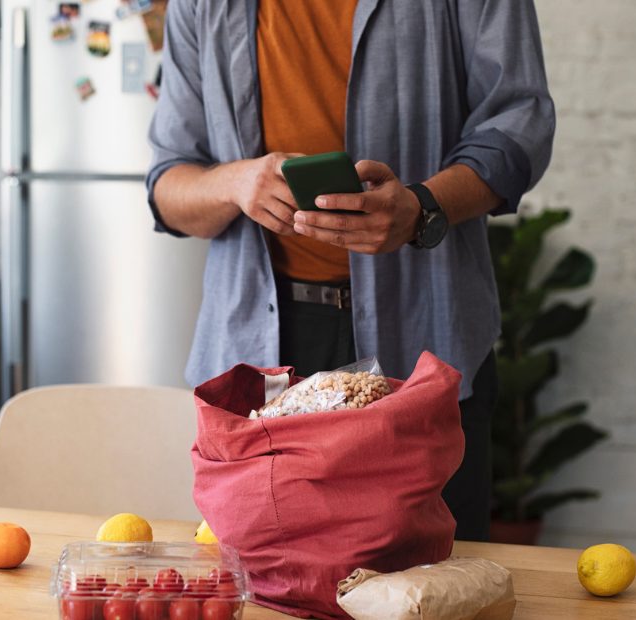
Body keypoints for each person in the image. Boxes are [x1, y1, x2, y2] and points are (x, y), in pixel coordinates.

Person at [146, 0, 555, 541]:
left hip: (421, 339)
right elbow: (168, 183)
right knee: (259, 586)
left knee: (431, 582)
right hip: (258, 350)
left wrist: (420, 208)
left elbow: (519, 126)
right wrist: (232, 182)